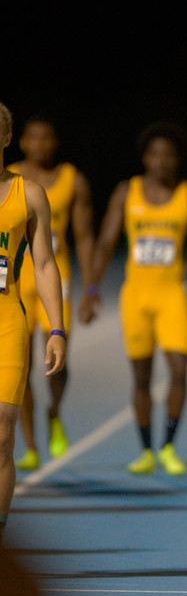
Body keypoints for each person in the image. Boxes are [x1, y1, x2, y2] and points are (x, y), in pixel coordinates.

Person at [83, 121, 187, 475]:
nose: (161, 161)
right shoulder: (127, 191)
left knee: (180, 370)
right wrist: (90, 289)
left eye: (168, 155)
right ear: (145, 158)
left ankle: (167, 446)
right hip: (135, 297)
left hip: (172, 297)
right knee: (141, 377)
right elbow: (105, 242)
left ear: (177, 159)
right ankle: (145, 450)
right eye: (154, 154)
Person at [7, 117, 96, 470]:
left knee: (57, 361)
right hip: (17, 278)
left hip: (54, 275)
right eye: (34, 138)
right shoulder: (10, 177)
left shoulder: (72, 180)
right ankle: (29, 444)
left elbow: (85, 235)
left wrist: (90, 287)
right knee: (22, 365)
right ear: (22, 142)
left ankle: (55, 410)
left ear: (55, 142)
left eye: (47, 138)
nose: (40, 145)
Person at [0, 102, 66, 545]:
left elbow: (44, 263)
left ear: (7, 138)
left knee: (2, 434)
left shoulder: (30, 192)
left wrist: (57, 329)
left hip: (9, 322)